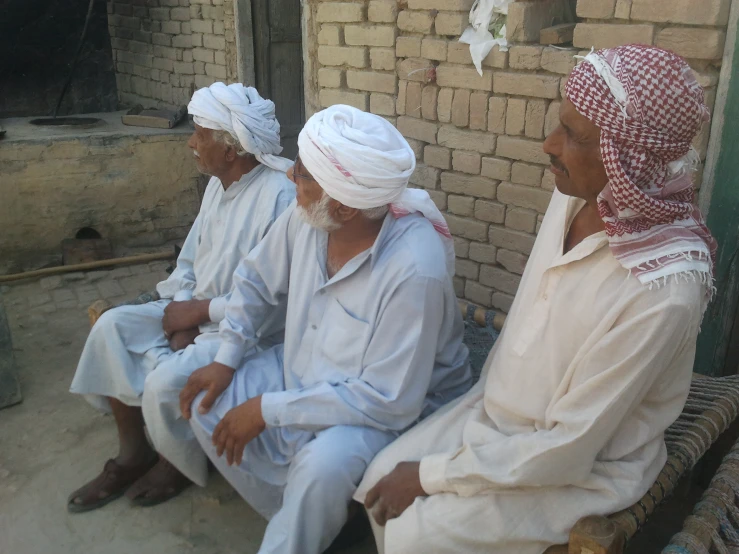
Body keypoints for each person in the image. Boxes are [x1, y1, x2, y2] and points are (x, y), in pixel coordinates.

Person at [354, 44, 718, 554]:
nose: (549, 145)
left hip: (580, 466)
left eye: (575, 136)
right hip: (495, 416)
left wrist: (433, 476)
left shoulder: (663, 289)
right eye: (559, 124)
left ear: (630, 158)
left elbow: (570, 447)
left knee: (415, 531)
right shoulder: (573, 191)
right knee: (379, 479)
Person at [177, 104, 472, 553]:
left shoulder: (414, 269)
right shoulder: (309, 218)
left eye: (305, 177)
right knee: (205, 400)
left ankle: (299, 530)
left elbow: (389, 400)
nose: (292, 180)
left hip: (391, 407)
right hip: (304, 367)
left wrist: (268, 410)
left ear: (347, 207)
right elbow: (254, 281)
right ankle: (304, 519)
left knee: (320, 468)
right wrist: (226, 358)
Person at [67, 83, 295, 512]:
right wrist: (181, 311)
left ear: (231, 149)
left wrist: (199, 313)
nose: (191, 143)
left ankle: (177, 464)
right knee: (112, 327)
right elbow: (190, 261)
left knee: (165, 382)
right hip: (197, 313)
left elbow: (277, 298)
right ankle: (134, 455)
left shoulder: (280, 197)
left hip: (246, 330)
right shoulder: (218, 184)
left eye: (200, 134)